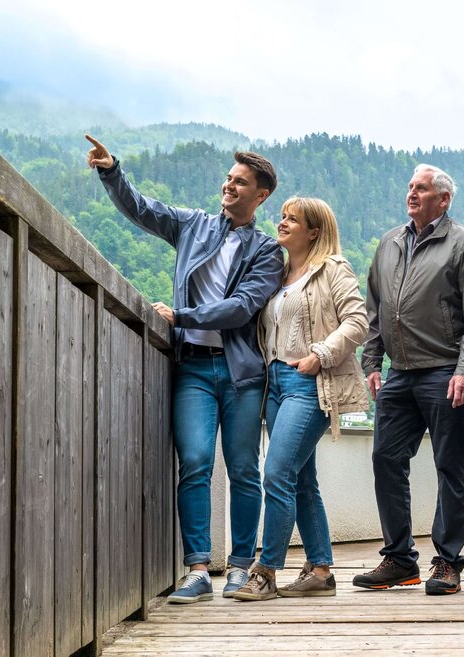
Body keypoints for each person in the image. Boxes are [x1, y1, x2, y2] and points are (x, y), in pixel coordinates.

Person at [85, 135, 284, 603]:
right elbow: (142, 209)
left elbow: (242, 307)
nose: (228, 186)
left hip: (240, 375)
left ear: (261, 195)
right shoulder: (193, 225)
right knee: (194, 462)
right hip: (192, 368)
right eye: (228, 178)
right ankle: (196, 570)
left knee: (242, 470)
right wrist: (112, 170)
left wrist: (182, 316)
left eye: (240, 182)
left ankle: (238, 567)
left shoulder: (267, 251)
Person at [354, 164, 464, 595]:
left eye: (422, 188)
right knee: (386, 459)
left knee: (450, 466)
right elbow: (376, 308)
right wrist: (371, 362)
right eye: (410, 186)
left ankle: (447, 563)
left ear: (443, 199)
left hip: (446, 372)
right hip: (399, 375)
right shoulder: (390, 243)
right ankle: (399, 560)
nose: (412, 193)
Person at [233, 197, 369, 601]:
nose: (282, 222)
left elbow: (358, 321)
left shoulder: (332, 268)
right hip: (274, 385)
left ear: (314, 231)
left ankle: (266, 571)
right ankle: (322, 570)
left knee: (276, 473)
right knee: (302, 480)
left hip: (307, 383)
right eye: (283, 216)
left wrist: (320, 355)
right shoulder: (277, 273)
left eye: (293, 219)